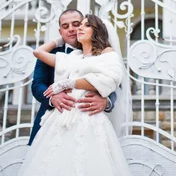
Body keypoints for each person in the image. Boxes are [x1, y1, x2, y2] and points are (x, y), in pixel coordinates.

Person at [16, 15, 133, 176]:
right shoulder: (74, 57)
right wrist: (59, 40)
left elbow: (112, 81)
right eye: (66, 26)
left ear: (96, 30)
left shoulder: (107, 53)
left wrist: (103, 99)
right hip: (63, 117)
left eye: (81, 25)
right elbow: (38, 56)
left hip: (89, 118)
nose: (75, 29)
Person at [27, 9, 117, 145]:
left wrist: (107, 102)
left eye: (76, 24)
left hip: (88, 120)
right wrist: (53, 98)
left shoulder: (103, 52)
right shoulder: (53, 53)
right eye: (65, 26)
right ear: (60, 31)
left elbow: (114, 83)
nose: (71, 29)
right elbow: (37, 85)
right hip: (54, 120)